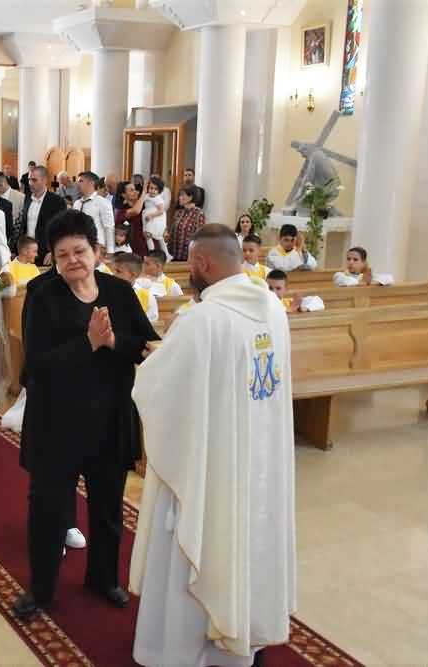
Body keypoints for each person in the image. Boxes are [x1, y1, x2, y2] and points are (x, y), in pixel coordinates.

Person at [129, 223, 296, 666]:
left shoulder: (202, 319)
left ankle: (189, 652)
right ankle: (245, 634)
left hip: (211, 466)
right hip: (258, 461)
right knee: (248, 543)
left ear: (202, 263)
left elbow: (159, 389)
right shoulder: (272, 307)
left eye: (191, 265)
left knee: (204, 542)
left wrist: (150, 361)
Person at [12, 209, 158, 622]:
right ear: (53, 259)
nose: (72, 260)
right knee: (48, 510)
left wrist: (112, 342)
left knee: (108, 507)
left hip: (109, 419)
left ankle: (103, 578)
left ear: (97, 251)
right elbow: (35, 365)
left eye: (79, 251)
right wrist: (88, 344)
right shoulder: (42, 294)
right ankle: (41, 589)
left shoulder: (119, 292)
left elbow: (144, 345)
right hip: (57, 422)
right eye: (62, 254)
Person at [18, 166, 66, 265]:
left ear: (44, 180)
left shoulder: (57, 201)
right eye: (29, 180)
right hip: (26, 253)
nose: (30, 183)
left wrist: (53, 251)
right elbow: (24, 226)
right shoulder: (27, 199)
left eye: (34, 180)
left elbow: (62, 229)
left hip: (45, 254)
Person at [111, 253, 160, 323]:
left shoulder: (147, 297)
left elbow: (151, 324)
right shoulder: (107, 292)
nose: (113, 275)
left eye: (118, 271)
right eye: (114, 271)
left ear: (133, 275)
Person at [73, 171, 115, 253]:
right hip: (78, 246)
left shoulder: (102, 202)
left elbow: (109, 227)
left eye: (81, 181)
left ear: (91, 183)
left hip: (96, 247)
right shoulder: (77, 203)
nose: (77, 184)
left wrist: (110, 251)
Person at [167, 185, 206, 263]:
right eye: (180, 195)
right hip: (172, 255)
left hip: (187, 258)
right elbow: (172, 231)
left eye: (182, 195)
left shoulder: (199, 214)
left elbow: (200, 238)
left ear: (190, 197)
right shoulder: (179, 212)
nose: (179, 198)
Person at [115, 181, 146, 256]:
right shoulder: (121, 211)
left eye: (135, 189)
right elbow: (136, 211)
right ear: (123, 195)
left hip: (147, 245)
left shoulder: (144, 206)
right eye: (131, 190)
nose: (135, 192)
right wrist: (144, 193)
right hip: (131, 249)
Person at [143, 176, 169, 256]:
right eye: (151, 188)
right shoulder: (147, 196)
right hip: (149, 219)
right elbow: (141, 200)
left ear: (159, 190)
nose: (153, 191)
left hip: (155, 219)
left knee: (159, 237)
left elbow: (161, 211)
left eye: (156, 189)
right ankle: (152, 253)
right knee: (148, 237)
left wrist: (151, 215)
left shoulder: (158, 199)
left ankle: (166, 254)